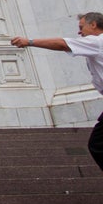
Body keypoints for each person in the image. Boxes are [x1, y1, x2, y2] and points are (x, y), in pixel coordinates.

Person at [11, 12, 103, 172]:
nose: (80, 32)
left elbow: (62, 44)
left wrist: (29, 42)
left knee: (98, 144)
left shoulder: (97, 42)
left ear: (93, 25)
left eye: (81, 28)